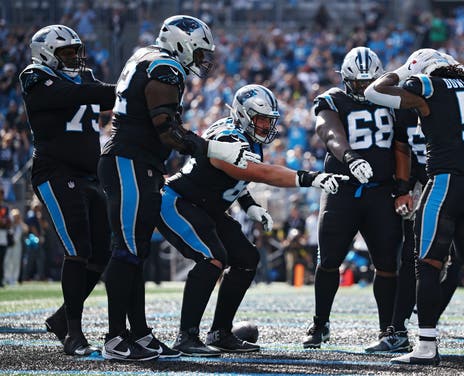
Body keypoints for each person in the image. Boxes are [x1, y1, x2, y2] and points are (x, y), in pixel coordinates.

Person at [98, 15, 260, 361]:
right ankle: (115, 337)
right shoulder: (165, 67)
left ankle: (140, 334)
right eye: (198, 51)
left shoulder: (145, 57)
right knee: (126, 250)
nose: (201, 59)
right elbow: (167, 131)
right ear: (181, 43)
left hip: (138, 163)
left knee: (136, 252)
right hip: (129, 161)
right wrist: (212, 148)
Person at [158, 84, 347, 356]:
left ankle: (220, 332)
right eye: (260, 119)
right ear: (243, 115)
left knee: (246, 258)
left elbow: (236, 177)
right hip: (178, 201)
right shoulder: (227, 136)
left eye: (269, 120)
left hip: (205, 207)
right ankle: (186, 336)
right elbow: (258, 172)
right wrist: (310, 178)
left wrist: (249, 205)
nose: (265, 126)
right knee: (211, 257)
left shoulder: (246, 137)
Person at [364, 48, 464, 365]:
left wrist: (404, 71)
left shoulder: (428, 86)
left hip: (445, 185)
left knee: (427, 265)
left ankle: (427, 345)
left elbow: (373, 91)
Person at [302, 46, 411, 349]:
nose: (363, 89)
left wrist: (404, 188)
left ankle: (387, 330)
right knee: (329, 260)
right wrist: (350, 158)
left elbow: (403, 146)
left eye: (368, 82)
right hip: (343, 190)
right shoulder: (333, 99)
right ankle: (320, 323)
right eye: (358, 83)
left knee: (387, 263)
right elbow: (329, 131)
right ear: (346, 79)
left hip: (382, 192)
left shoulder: (394, 100)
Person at [19, 24, 116, 356]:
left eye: (76, 51)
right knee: (78, 249)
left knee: (102, 252)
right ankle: (73, 333)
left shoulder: (85, 77)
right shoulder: (34, 76)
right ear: (47, 54)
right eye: (66, 52)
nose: (74, 57)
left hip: (89, 175)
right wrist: (127, 89)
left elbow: (102, 95)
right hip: (56, 172)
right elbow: (70, 95)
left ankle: (62, 318)